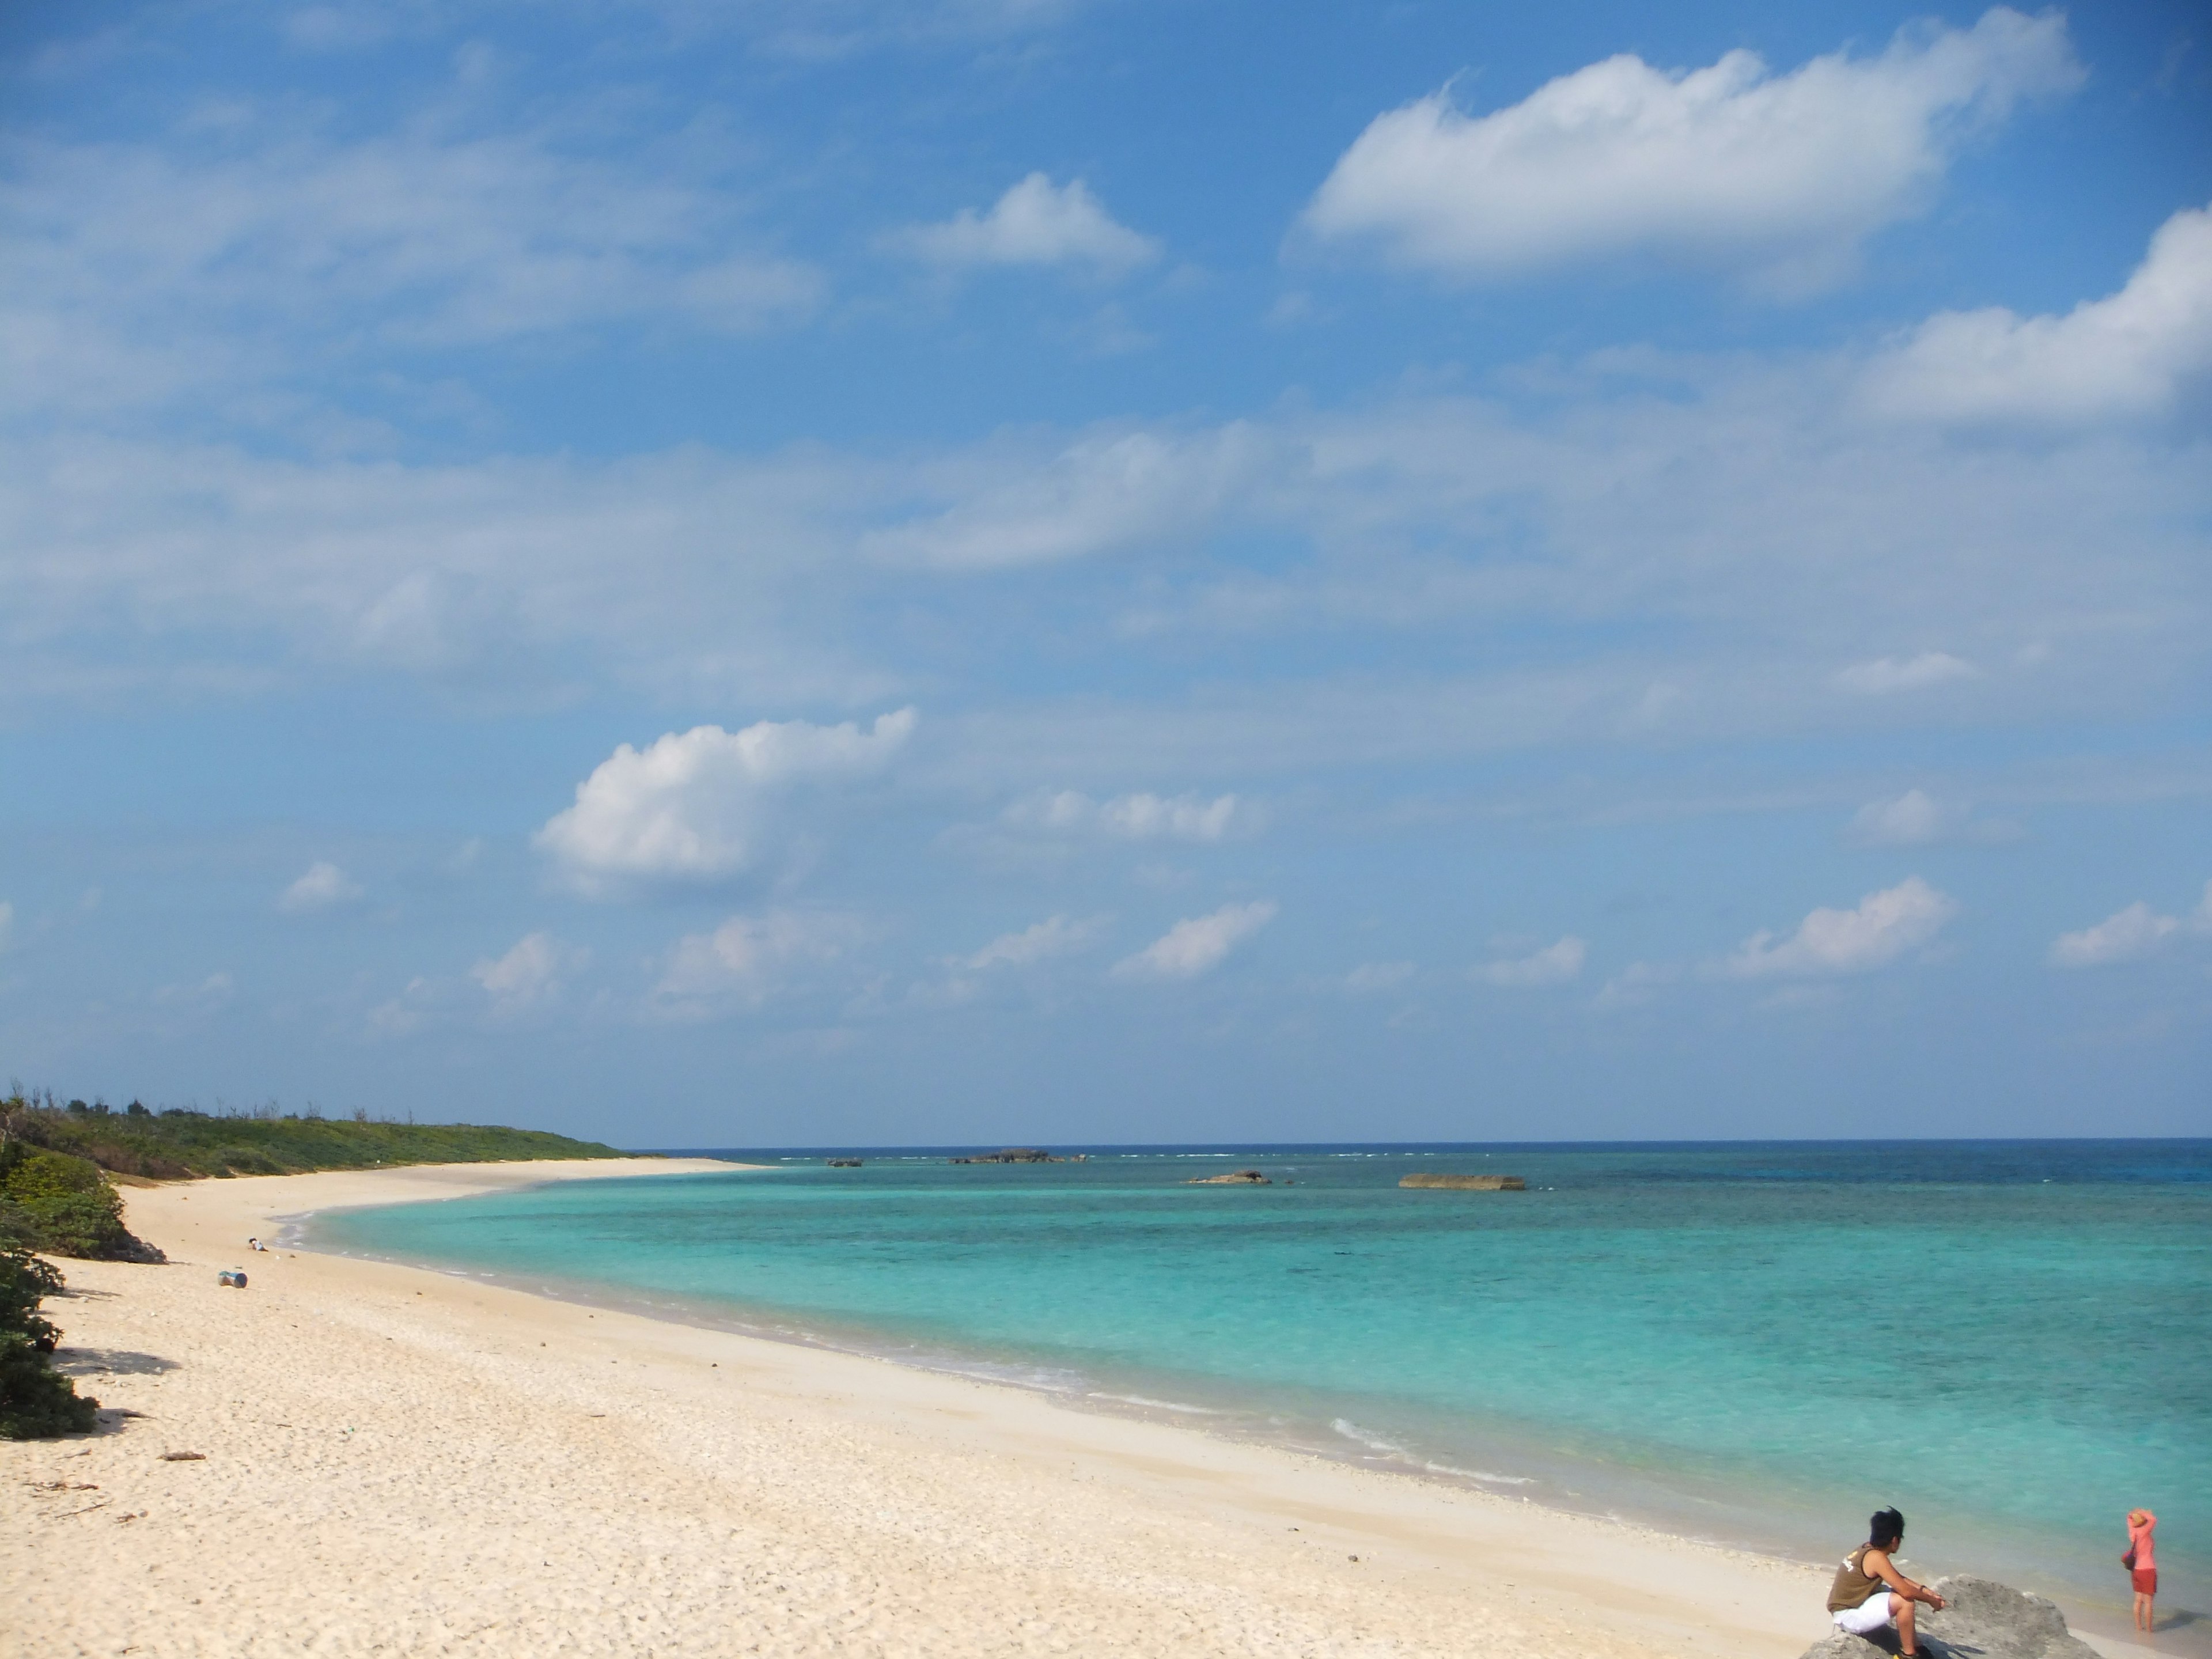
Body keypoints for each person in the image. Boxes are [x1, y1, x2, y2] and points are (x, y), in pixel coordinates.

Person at [1827, 1508, 1948, 1656]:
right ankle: (1908, 1655)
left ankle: (1916, 1644)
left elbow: (1897, 1578)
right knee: (1906, 1602)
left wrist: (1924, 1590)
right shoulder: (1876, 1558)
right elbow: (1906, 1591)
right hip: (1847, 1615)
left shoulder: (1867, 1548)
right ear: (1895, 1540)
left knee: (1898, 1591)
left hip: (1849, 1605)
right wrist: (1931, 1601)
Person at [2127, 1509, 2157, 1633]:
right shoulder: (2144, 1532)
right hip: (2148, 1569)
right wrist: (2142, 1511)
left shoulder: (2133, 1533)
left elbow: (2129, 1518)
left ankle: (2139, 1627)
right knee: (2148, 1602)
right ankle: (2149, 1629)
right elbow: (2153, 1519)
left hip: (2136, 1570)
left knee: (2138, 1600)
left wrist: (2134, 1513)